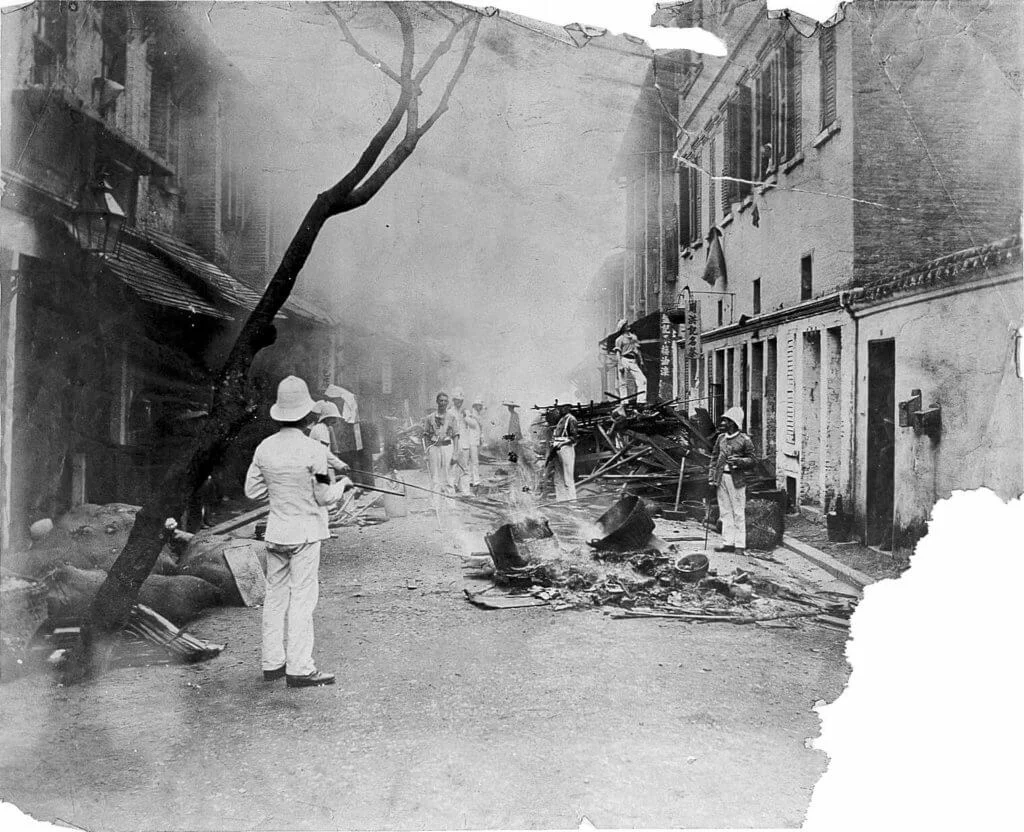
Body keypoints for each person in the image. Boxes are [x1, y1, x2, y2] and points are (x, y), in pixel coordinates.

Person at [245, 376, 354, 689]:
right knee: (302, 600)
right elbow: (323, 496)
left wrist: (281, 492)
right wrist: (342, 485)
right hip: (305, 534)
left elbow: (252, 490)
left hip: (277, 532)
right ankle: (300, 668)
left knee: (275, 598)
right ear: (307, 415)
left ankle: (272, 663)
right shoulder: (313, 451)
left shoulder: (265, 448)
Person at [708, 406, 757, 556]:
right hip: (721, 478)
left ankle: (740, 545)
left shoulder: (744, 440)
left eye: (727, 420)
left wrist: (740, 461)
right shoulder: (720, 439)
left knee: (738, 512)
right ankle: (728, 542)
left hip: (736, 480)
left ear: (734, 423)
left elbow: (753, 460)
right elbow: (714, 458)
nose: (723, 423)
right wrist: (712, 477)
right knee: (725, 511)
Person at [422, 392, 460, 509]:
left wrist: (455, 453)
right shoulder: (429, 418)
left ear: (447, 403)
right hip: (434, 448)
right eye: (441, 400)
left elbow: (456, 435)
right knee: (435, 478)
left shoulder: (452, 418)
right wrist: (427, 452)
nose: (443, 403)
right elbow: (426, 436)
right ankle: (435, 506)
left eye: (445, 401)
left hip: (447, 447)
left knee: (449, 477)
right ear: (437, 402)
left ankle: (451, 506)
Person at [309, 401, 351, 481]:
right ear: (326, 418)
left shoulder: (325, 428)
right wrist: (340, 465)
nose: (335, 420)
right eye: (333, 417)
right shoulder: (320, 429)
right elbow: (324, 452)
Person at [613, 319, 647, 405]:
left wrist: (641, 362)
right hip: (623, 360)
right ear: (622, 328)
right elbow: (618, 352)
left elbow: (638, 350)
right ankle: (624, 402)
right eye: (625, 325)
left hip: (633, 361)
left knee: (642, 380)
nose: (628, 326)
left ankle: (641, 401)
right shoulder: (619, 340)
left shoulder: (633, 337)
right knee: (623, 383)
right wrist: (620, 364)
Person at [550, 404, 579, 502]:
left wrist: (562, 444)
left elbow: (573, 438)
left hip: (566, 448)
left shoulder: (571, 419)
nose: (561, 409)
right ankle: (561, 501)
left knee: (568, 477)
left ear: (568, 408)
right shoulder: (561, 419)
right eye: (560, 407)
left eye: (563, 407)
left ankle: (572, 501)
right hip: (557, 447)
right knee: (558, 476)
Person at [449, 389, 471, 495]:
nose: (459, 402)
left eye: (461, 401)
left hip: (465, 443)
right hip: (454, 443)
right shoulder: (449, 412)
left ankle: (465, 491)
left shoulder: (465, 412)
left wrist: (466, 416)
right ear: (453, 400)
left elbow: (471, 425)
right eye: (457, 400)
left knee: (465, 468)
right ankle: (451, 489)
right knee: (453, 467)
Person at [464, 397, 485, 488]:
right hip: (470, 441)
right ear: (475, 406)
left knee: (474, 462)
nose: (479, 407)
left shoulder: (477, 416)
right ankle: (473, 480)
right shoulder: (470, 415)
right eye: (478, 405)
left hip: (475, 441)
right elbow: (471, 424)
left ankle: (473, 480)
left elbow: (480, 428)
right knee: (472, 461)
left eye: (480, 405)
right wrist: (472, 416)